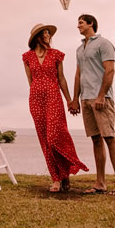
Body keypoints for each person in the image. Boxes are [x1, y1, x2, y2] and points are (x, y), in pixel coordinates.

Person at [22, 23, 88, 192]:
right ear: (37, 36)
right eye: (44, 33)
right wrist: (36, 95)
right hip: (36, 100)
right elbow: (30, 81)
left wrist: (69, 100)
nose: (47, 35)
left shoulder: (56, 55)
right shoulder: (27, 57)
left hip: (54, 97)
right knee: (45, 141)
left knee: (54, 137)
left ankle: (65, 172)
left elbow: (62, 79)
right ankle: (56, 179)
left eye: (48, 33)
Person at [70, 13, 115, 195]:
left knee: (109, 137)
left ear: (91, 24)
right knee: (95, 140)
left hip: (101, 98)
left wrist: (101, 96)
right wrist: (75, 99)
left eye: (81, 22)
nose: (78, 25)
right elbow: (78, 75)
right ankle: (100, 183)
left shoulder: (104, 44)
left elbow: (110, 71)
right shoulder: (80, 49)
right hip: (85, 99)